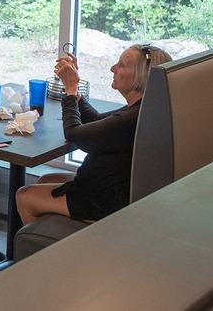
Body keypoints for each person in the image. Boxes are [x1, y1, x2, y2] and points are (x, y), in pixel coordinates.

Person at [15, 44, 173, 224]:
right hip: (114, 188)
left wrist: (71, 88)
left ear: (142, 77)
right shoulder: (144, 108)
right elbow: (95, 120)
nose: (112, 68)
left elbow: (74, 133)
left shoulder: (128, 119)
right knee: (46, 179)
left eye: (121, 65)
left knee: (24, 196)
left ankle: (48, 249)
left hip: (104, 201)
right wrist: (76, 93)